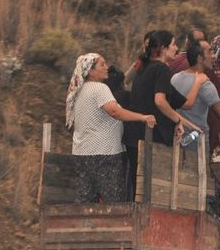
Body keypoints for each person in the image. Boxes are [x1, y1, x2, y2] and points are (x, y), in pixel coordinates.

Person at [123, 30, 205, 196]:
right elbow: (160, 102)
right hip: (150, 137)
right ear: (163, 49)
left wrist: (187, 124)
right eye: (173, 44)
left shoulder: (144, 68)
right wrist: (177, 122)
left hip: (134, 136)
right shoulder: (161, 69)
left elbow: (164, 106)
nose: (176, 48)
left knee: (137, 188)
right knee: (152, 190)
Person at [66, 53, 156, 203]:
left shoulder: (78, 91)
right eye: (102, 65)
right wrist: (142, 117)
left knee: (86, 200)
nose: (106, 67)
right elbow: (114, 111)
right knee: (113, 201)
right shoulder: (100, 88)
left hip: (81, 153)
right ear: (90, 71)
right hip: (104, 154)